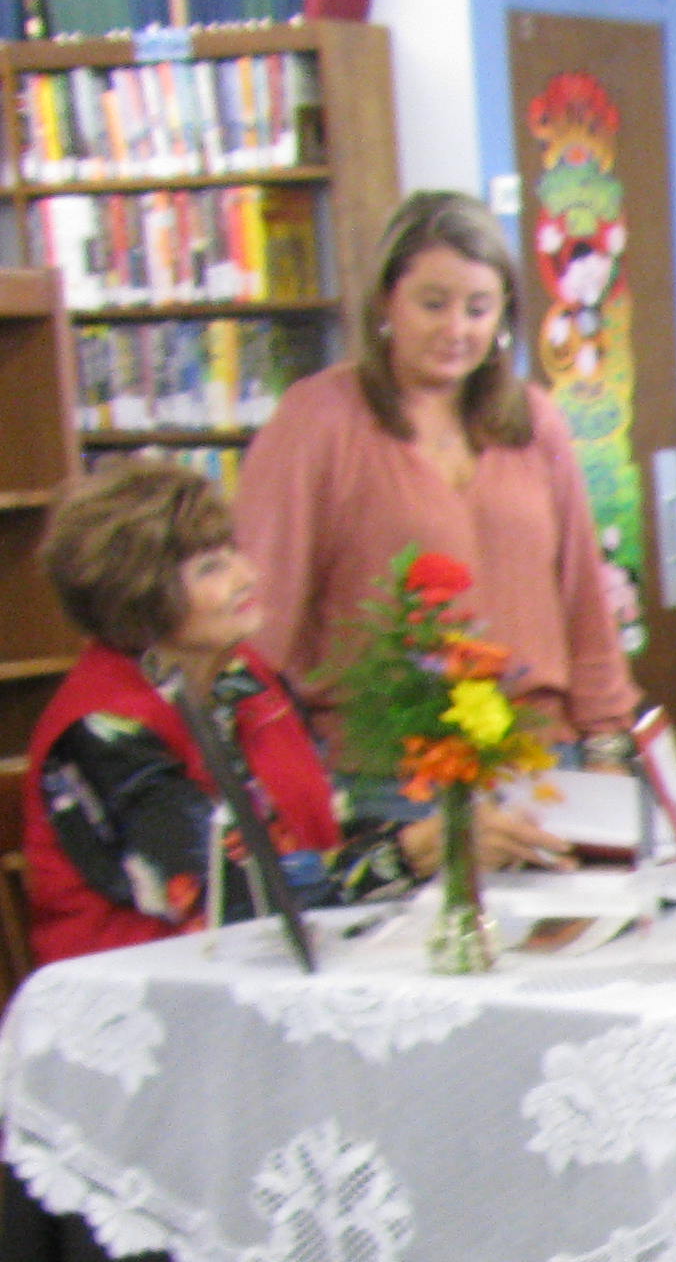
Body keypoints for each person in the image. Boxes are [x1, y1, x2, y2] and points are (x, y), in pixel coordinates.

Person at [21, 461, 564, 963]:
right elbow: (224, 895)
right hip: (149, 992)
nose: (246, 576)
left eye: (234, 552)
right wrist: (407, 856)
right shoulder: (101, 729)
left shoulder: (246, 676)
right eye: (212, 568)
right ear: (137, 594)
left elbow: (329, 819)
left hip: (278, 963)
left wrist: (452, 833)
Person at [239, 189, 638, 759]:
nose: (456, 329)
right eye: (432, 303)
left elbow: (583, 597)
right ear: (385, 303)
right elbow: (265, 602)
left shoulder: (534, 421)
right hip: (385, 764)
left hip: (538, 756)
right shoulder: (319, 418)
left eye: (478, 309)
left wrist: (606, 739)